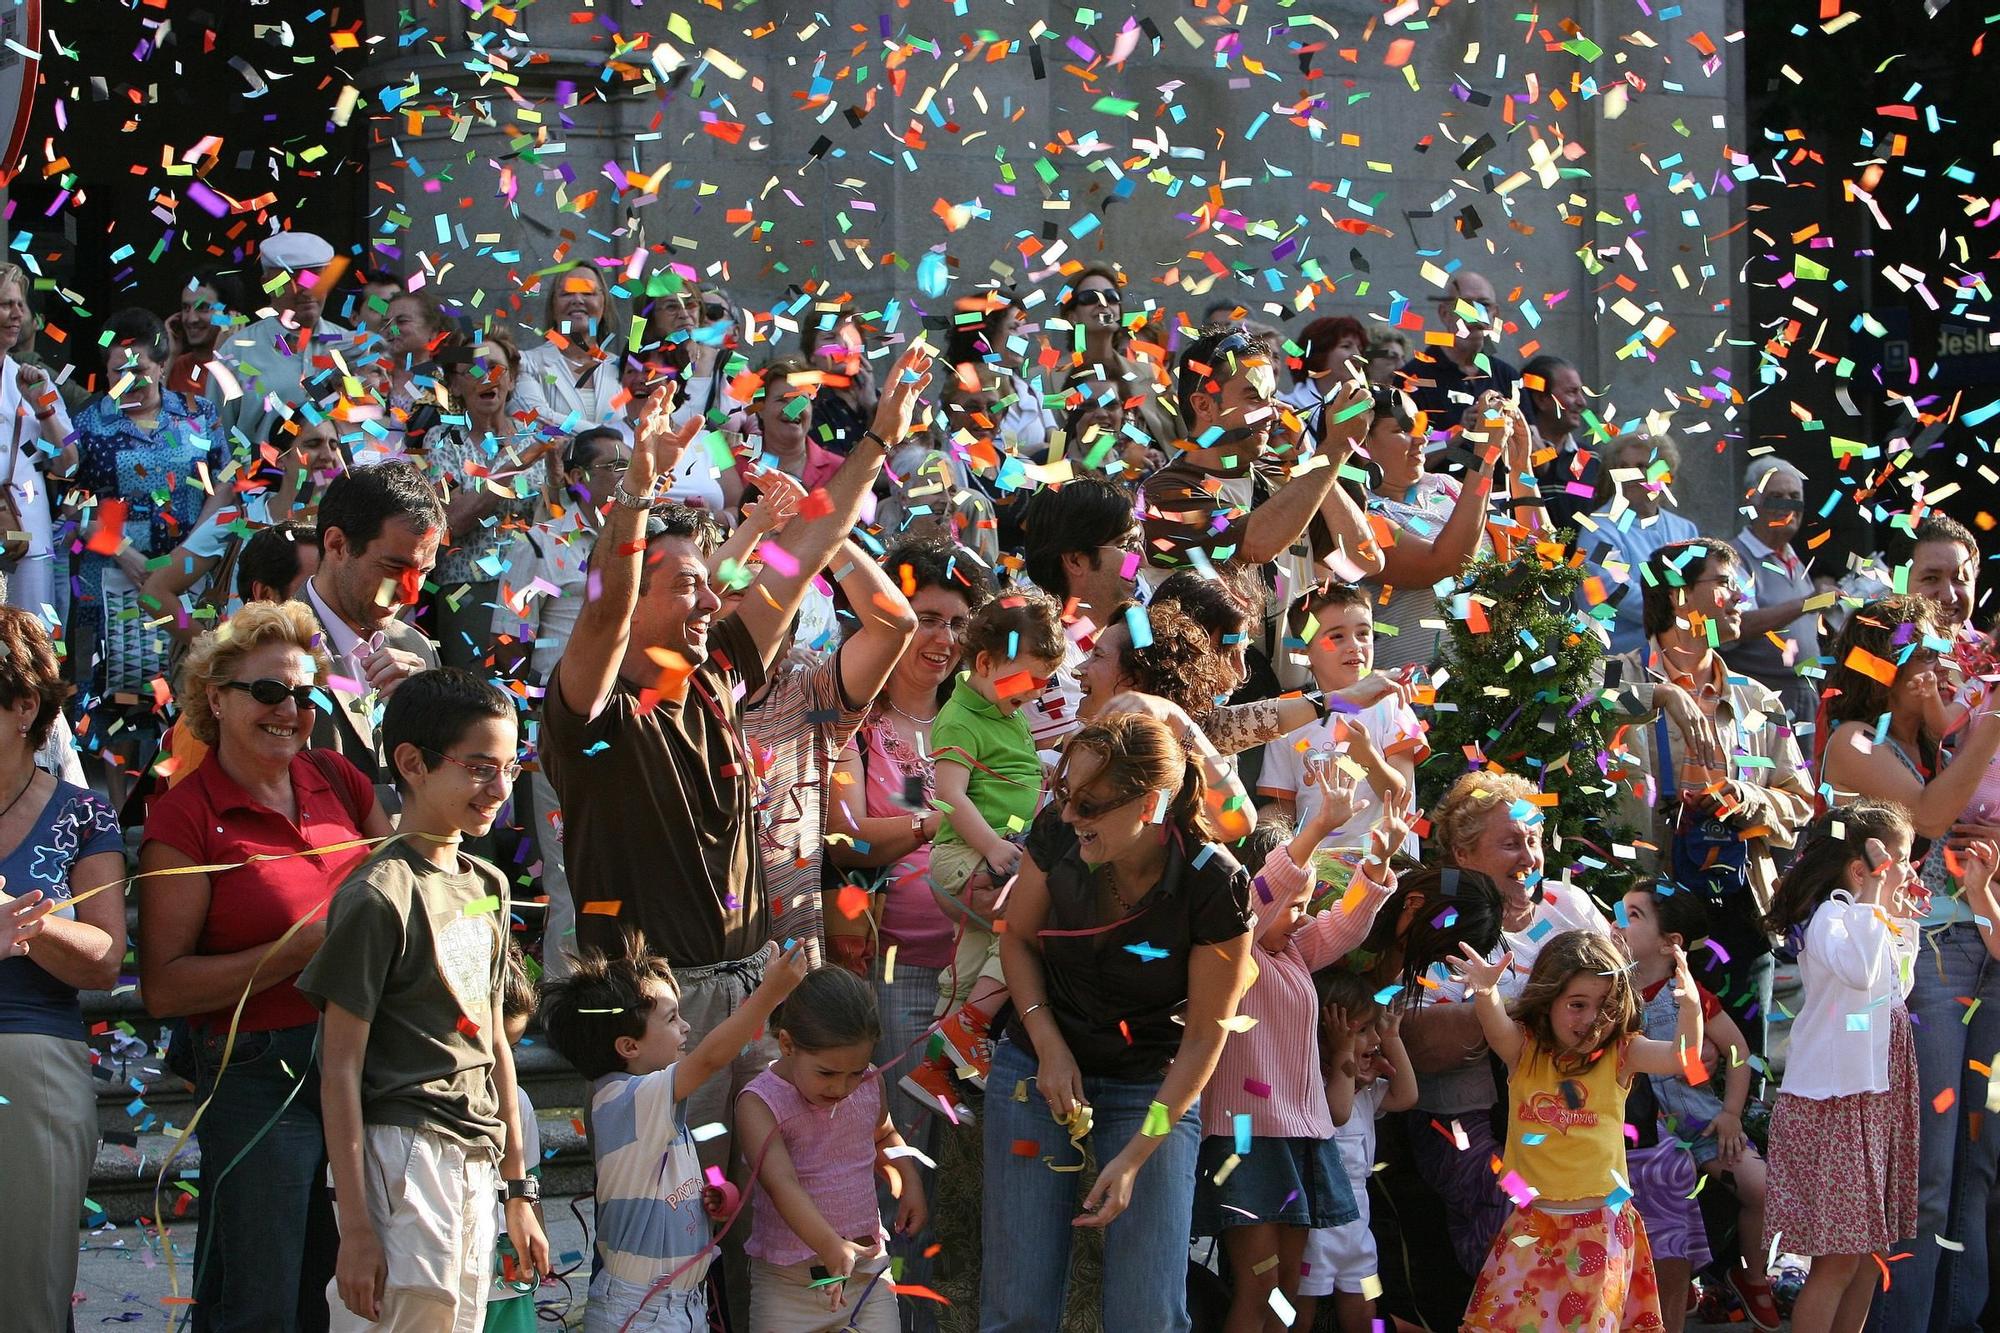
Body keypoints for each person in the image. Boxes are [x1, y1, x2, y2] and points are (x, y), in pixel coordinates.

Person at [543, 344, 930, 1194]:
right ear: (636, 595)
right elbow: (605, 610)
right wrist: (638, 496)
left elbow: (802, 554)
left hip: (759, 992)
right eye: (686, 585)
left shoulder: (717, 670)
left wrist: (875, 442)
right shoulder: (588, 711)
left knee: (768, 1229)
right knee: (677, 1234)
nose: (713, 600)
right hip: (656, 1018)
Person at [139, 600, 392, 1331]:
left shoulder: (338, 778)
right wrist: (292, 954)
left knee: (349, 1293)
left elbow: (406, 887)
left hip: (368, 1062)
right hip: (259, 1075)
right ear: (215, 699)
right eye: (269, 691)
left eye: (304, 694)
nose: (290, 710)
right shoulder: (186, 815)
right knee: (262, 1301)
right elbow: (162, 988)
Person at [979, 712, 1254, 1333]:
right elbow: (1017, 939)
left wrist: (1135, 1157)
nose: (1070, 815)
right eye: (1065, 795)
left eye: (1092, 805)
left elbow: (1207, 1037)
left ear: (1151, 804)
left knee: (1147, 1315)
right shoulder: (1055, 833)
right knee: (1017, 1307)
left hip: (1150, 1090)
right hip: (1036, 1065)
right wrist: (1048, 1046)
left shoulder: (1213, 883)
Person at [299, 668, 549, 1331]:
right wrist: (354, 1225)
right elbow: (340, 1068)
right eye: (478, 768)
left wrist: (519, 1190)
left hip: (476, 1162)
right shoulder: (379, 893)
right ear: (412, 763)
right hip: (400, 1158)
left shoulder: (487, 882)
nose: (499, 789)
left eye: (509, 768)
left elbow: (497, 1043)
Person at [1817, 593, 2000, 1333]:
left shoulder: (1938, 745)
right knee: (1927, 1169)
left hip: (1984, 944)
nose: (1942, 674)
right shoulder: (1855, 742)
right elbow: (1927, 817)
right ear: (1884, 670)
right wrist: (1989, 727)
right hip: (1925, 960)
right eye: (1924, 661)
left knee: (1976, 1165)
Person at [1196, 794, 1409, 1333]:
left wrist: (1379, 861)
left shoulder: (1292, 952)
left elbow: (1349, 924)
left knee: (1287, 1286)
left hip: (1301, 1137)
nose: (1303, 916)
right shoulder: (1234, 947)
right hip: (1245, 1135)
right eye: (1296, 906)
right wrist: (1316, 827)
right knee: (1257, 1285)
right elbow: (1266, 896)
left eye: (1308, 904)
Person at [1398, 770, 1614, 1286]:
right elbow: (1419, 1041)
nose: (1530, 857)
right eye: (1511, 843)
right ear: (1464, 854)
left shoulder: (1570, 907)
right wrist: (1527, 1016)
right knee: (1515, 1209)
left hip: (1574, 1113)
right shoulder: (1441, 927)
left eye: (1534, 841)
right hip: (1470, 1118)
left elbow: (1619, 1008)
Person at [538, 932, 811, 1333]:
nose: (686, 1027)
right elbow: (711, 1059)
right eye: (671, 1018)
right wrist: (769, 995)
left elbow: (687, 1173)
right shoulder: (625, 1100)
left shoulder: (653, 1105)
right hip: (640, 1312)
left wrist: (717, 1190)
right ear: (629, 1045)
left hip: (679, 1304)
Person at [1612, 538, 1814, 1054]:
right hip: (1643, 918)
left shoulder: (1758, 698)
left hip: (1739, 914)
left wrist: (1747, 799)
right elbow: (1575, 701)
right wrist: (1663, 694)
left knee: (1743, 1074)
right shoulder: (1616, 673)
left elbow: (1803, 800)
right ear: (1680, 594)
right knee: (1650, 1080)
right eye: (1725, 582)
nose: (1742, 595)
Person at [1449, 928, 1697, 1331]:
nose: (1591, 1019)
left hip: (1600, 1227)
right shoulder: (1524, 1051)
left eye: (1606, 1005)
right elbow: (1496, 1027)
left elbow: (1682, 1058)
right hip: (1532, 1223)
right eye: (1576, 1004)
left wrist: (1690, 1008)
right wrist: (1485, 992)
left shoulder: (1622, 1053)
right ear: (1548, 1003)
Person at [1761, 803, 1940, 1333]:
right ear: (1861, 870)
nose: (1910, 870)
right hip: (1837, 1104)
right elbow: (1860, 975)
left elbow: (1893, 989)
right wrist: (1874, 902)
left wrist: (1900, 918)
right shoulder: (1833, 916)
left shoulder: (1865, 915)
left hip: (1876, 1100)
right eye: (1900, 860)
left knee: (1866, 1256)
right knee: (1838, 1259)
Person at [0, 608, 126, 1333]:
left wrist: (23, 917)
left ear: (24, 706)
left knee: (27, 1297)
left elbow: (107, 959)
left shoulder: (81, 813)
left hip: (30, 1055)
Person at [897, 590, 1065, 1114]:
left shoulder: (1006, 711)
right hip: (967, 855)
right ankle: (969, 1029)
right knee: (1023, 924)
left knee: (968, 968)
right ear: (987, 663)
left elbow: (1011, 772)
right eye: (1025, 681)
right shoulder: (959, 718)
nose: (1034, 695)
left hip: (999, 851)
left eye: (1042, 684)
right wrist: (992, 846)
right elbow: (949, 796)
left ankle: (935, 1069)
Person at [487, 425, 624, 978]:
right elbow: (506, 646)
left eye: (629, 463)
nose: (621, 473)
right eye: (610, 465)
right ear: (575, 477)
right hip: (562, 731)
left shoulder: (652, 542)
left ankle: (635, 993)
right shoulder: (538, 545)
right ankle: (568, 1000)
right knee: (569, 868)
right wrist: (537, 725)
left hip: (634, 724)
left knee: (630, 866)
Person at [1616, 882, 1781, 1330]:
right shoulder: (1610, 988)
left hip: (1700, 1121)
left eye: (1634, 915)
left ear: (1671, 944)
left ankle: (1751, 1275)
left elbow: (1739, 1051)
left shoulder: (1688, 994)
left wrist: (1730, 1112)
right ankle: (1678, 1277)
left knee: (1760, 1187)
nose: (1618, 920)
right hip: (1641, 1132)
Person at [738, 967, 926, 1333]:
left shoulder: (869, 1083)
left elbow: (883, 1135)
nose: (842, 1087)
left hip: (866, 1275)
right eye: (826, 1073)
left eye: (854, 1072)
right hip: (788, 1286)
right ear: (788, 1044)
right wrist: (828, 1243)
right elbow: (781, 1184)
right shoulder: (760, 1103)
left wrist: (909, 1179)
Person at [1140, 324, 1379, 592]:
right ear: (1204, 405)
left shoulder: (1288, 478)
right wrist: (1335, 447)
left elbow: (1363, 562)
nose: (1273, 413)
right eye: (1254, 398)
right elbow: (1256, 546)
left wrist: (1309, 456)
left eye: (1272, 398)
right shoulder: (1163, 493)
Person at [71, 308, 229, 697]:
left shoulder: (198, 414)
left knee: (191, 690)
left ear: (161, 367)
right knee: (119, 703)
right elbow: (75, 502)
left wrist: (190, 551)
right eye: (116, 372)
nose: (128, 381)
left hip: (189, 576)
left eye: (138, 370)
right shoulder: (89, 422)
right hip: (113, 578)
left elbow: (225, 485)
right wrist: (125, 553)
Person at [1361, 385, 1544, 671]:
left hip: (1490, 683)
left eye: (1420, 427)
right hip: (1417, 697)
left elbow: (1535, 552)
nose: (1420, 439)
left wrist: (1520, 467)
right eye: (1402, 430)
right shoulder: (1359, 512)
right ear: (1362, 443)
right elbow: (1445, 565)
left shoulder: (1446, 487)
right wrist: (1483, 458)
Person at [297, 462, 443, 790]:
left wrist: (431, 717)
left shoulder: (416, 649)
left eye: (423, 572)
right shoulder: (272, 649)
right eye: (394, 566)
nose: (410, 592)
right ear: (336, 545)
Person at [1256, 581, 1425, 860]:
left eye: (1363, 633)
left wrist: (1365, 755)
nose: (1354, 646)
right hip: (1316, 876)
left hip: (1384, 867)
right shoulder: (1288, 718)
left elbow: (1401, 797)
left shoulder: (1392, 703)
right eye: (1336, 637)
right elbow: (1282, 808)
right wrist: (1252, 834)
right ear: (1302, 652)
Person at [145, 415, 344, 642]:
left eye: (333, 445)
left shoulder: (346, 530)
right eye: (313, 444)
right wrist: (212, 650)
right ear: (279, 458)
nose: (328, 455)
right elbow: (155, 592)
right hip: (246, 670)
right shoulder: (235, 520)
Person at [1296, 971, 1418, 1333]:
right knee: (1303, 1304)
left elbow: (1407, 1095)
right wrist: (1345, 1055)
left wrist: (1392, 1038)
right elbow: (1339, 1110)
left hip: (1357, 1225)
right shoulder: (1315, 1085)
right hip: (1318, 1224)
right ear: (1329, 1033)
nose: (1375, 1039)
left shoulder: (1364, 1090)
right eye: (1363, 1029)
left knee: (1364, 1303)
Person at [422, 331, 538, 669]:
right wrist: (513, 467)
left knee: (530, 696)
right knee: (475, 697)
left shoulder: (535, 437)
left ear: (513, 379)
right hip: (468, 589)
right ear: (455, 386)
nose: (487, 377)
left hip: (532, 587)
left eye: (496, 368)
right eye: (472, 370)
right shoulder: (444, 440)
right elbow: (453, 521)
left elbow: (556, 518)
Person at [1017, 476, 1142, 746]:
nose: (1138, 557)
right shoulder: (1042, 651)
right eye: (1125, 545)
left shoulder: (1114, 630)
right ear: (1075, 560)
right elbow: (1066, 756)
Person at [210, 231, 353, 445]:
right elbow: (215, 436)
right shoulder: (236, 351)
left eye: (316, 278)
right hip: (260, 476)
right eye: (293, 280)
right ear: (267, 283)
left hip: (342, 475)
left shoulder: (352, 347)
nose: (307, 291)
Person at [0, 261, 78, 617]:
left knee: (30, 650)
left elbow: (68, 463)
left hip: (25, 535)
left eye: (20, 305)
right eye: (5, 305)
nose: (17, 314)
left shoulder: (33, 380)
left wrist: (42, 407)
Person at [1577, 431, 1699, 658]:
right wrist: (1686, 613)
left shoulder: (1686, 530)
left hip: (1678, 658)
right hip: (1615, 663)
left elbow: (1699, 584)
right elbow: (1614, 590)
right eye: (1623, 466)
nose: (1631, 474)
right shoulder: (1598, 528)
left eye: (1643, 466)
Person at [1723, 457, 1823, 731]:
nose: (1786, 506)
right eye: (1775, 497)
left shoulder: (1794, 559)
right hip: (1760, 700)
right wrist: (1809, 603)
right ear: (1753, 505)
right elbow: (1739, 625)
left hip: (1804, 697)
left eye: (1794, 497)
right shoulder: (1733, 559)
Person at [484, 945, 543, 1333]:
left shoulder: (518, 1102)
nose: (503, 1065)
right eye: (491, 1048)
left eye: (514, 1047)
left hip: (506, 1288)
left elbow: (531, 1180)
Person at [512, 262, 623, 439]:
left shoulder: (622, 367)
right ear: (553, 307)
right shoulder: (526, 363)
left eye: (588, 292)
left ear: (604, 304)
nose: (577, 300)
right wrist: (611, 436)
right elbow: (536, 418)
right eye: (566, 294)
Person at [1407, 269, 1518, 424]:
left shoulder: (1508, 376)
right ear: (1445, 314)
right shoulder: (1413, 377)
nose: (1475, 315)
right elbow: (1406, 445)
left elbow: (1534, 440)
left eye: (1484, 305)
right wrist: (1458, 433)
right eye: (1464, 305)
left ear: (1495, 314)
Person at [1518, 352, 1595, 532]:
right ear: (1542, 399)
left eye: (1581, 392)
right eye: (1571, 392)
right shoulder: (1516, 460)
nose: (1582, 402)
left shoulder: (1590, 458)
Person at [165, 269, 234, 397]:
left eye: (203, 307)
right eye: (186, 308)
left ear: (230, 315)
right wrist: (170, 356)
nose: (192, 319)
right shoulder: (173, 365)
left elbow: (220, 413)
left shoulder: (247, 365)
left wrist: (221, 358)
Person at [1283, 315, 1367, 412]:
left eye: (1360, 349)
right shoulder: (1288, 410)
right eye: (1346, 346)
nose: (1357, 355)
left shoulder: (1365, 408)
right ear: (1320, 353)